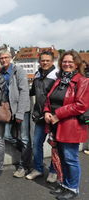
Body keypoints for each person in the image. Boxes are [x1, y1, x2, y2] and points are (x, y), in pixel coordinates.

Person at [44, 50, 89, 199]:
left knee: (70, 159)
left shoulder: (83, 81)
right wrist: (46, 112)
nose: (67, 64)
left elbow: (81, 105)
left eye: (70, 62)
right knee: (61, 157)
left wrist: (58, 114)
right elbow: (49, 99)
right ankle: (64, 185)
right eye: (64, 62)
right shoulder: (59, 79)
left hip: (71, 126)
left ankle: (73, 188)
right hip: (56, 125)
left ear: (76, 64)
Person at [0, 49, 32, 178]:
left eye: (6, 57)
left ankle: (23, 166)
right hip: (8, 110)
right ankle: (28, 153)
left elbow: (24, 92)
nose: (3, 60)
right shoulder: (0, 73)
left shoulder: (19, 71)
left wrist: (19, 113)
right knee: (6, 136)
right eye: (1, 58)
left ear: (10, 57)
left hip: (21, 109)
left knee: (24, 138)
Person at [26, 51, 58, 182]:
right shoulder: (38, 74)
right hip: (39, 115)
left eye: (47, 60)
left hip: (53, 116)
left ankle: (53, 171)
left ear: (52, 61)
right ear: (39, 62)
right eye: (42, 60)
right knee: (36, 144)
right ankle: (38, 169)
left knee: (55, 145)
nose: (45, 62)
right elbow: (32, 91)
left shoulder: (56, 75)